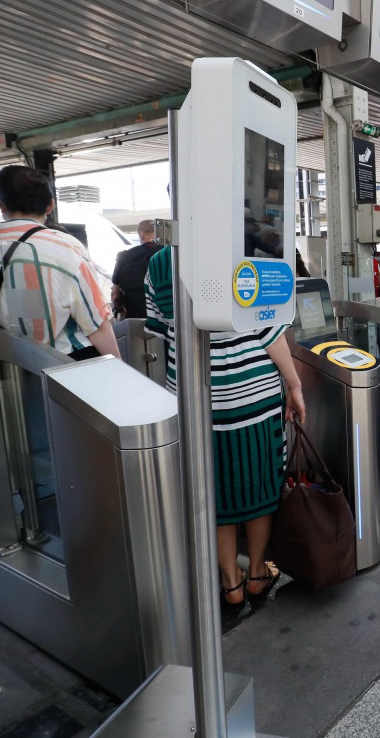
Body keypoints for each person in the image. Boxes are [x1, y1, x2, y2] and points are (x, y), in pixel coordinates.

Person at [145, 246, 306, 611]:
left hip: (193, 398)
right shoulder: (240, 259)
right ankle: (257, 575)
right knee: (259, 482)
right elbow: (268, 331)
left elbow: (159, 329)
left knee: (211, 489)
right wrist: (294, 384)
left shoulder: (157, 265)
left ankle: (230, 579)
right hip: (252, 394)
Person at [0, 166, 119, 360]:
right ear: (50, 205)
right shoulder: (65, 247)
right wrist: (119, 366)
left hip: (2, 366)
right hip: (63, 364)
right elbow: (95, 322)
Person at [111, 219, 162, 320]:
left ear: (141, 234)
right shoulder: (170, 255)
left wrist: (119, 309)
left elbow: (115, 295)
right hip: (166, 319)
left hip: (136, 318)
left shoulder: (124, 256)